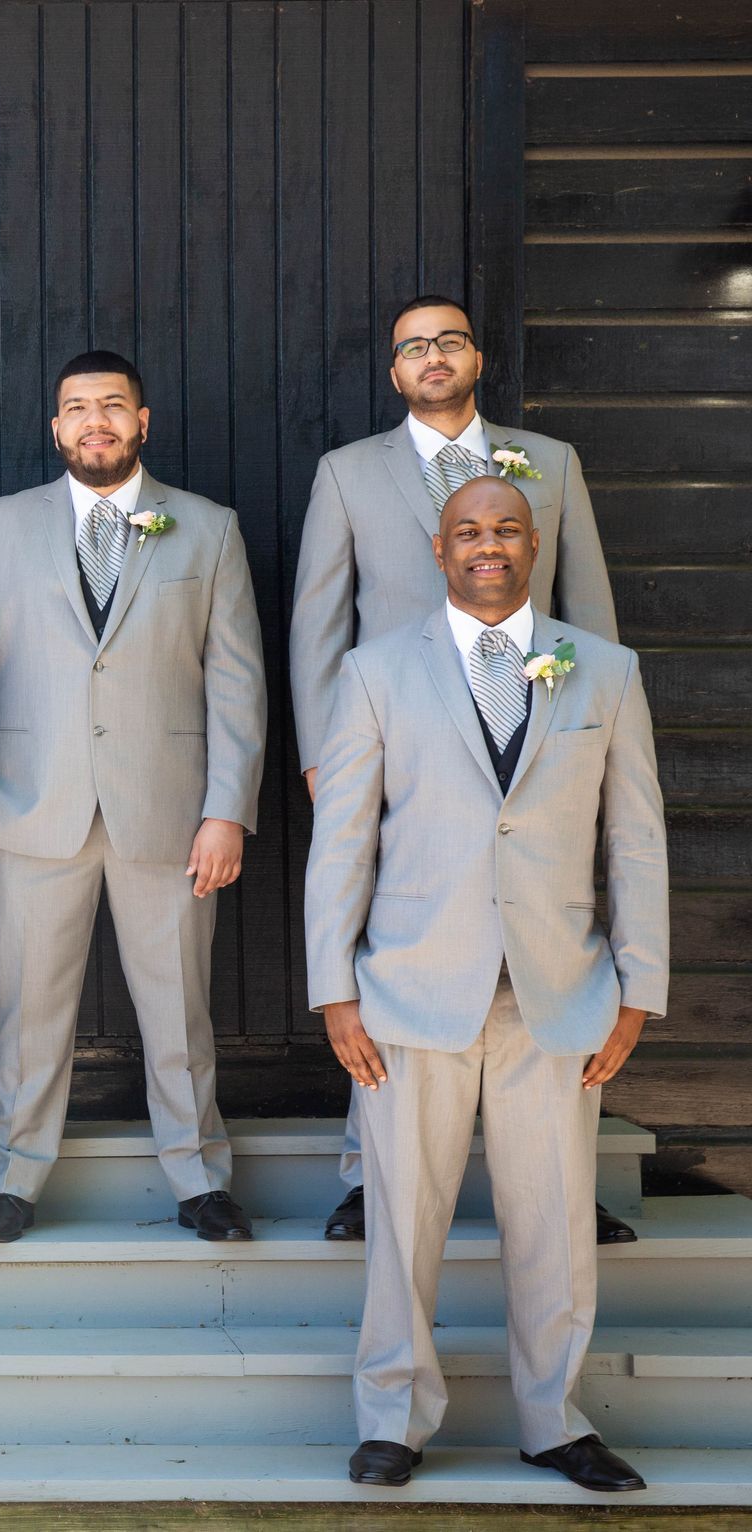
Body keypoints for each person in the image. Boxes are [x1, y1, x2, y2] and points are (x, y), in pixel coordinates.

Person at [306, 477, 665, 1493]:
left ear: (536, 540)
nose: (489, 544)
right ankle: (393, 1418)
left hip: (561, 996)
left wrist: (640, 989)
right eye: (469, 530)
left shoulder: (605, 672)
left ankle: (553, 1418)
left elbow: (636, 837)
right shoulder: (375, 672)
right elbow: (341, 844)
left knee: (554, 1222)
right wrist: (335, 987)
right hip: (408, 993)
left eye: (507, 527)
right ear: (438, 547)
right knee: (403, 1221)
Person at [288, 294, 626, 1245]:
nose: (432, 357)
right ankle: (370, 1175)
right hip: (393, 747)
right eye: (412, 347)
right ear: (393, 371)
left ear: (477, 357)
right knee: (389, 946)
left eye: (449, 341)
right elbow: (320, 623)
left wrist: (596, 741)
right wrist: (325, 757)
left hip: (534, 749)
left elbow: (587, 608)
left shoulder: (548, 463)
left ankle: (566, 1172)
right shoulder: (349, 474)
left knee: (546, 927)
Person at [0, 351, 267, 1244]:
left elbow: (237, 684)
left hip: (171, 815)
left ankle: (200, 1181)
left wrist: (227, 809)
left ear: (142, 421)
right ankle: (13, 1179)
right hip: (33, 811)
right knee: (30, 1012)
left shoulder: (208, 529)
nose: (95, 421)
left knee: (178, 1010)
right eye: (77, 408)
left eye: (112, 406)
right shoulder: (0, 528)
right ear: (55, 428)